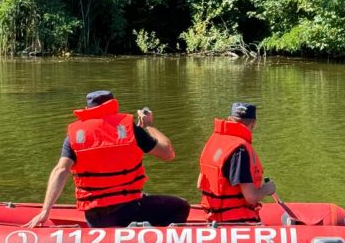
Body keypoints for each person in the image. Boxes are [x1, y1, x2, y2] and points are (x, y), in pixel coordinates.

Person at [27, 89, 190, 228]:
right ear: (113, 104)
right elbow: (168, 153)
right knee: (180, 206)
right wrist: (148, 126)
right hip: (128, 209)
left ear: (87, 108)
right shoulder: (130, 129)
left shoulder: (76, 136)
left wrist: (45, 210)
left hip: (95, 216)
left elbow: (61, 170)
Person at [197, 101, 276, 224]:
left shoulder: (214, 141)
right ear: (253, 123)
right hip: (235, 222)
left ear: (230, 119)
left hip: (213, 220)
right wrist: (267, 189)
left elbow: (199, 184)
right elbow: (251, 197)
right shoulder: (240, 149)